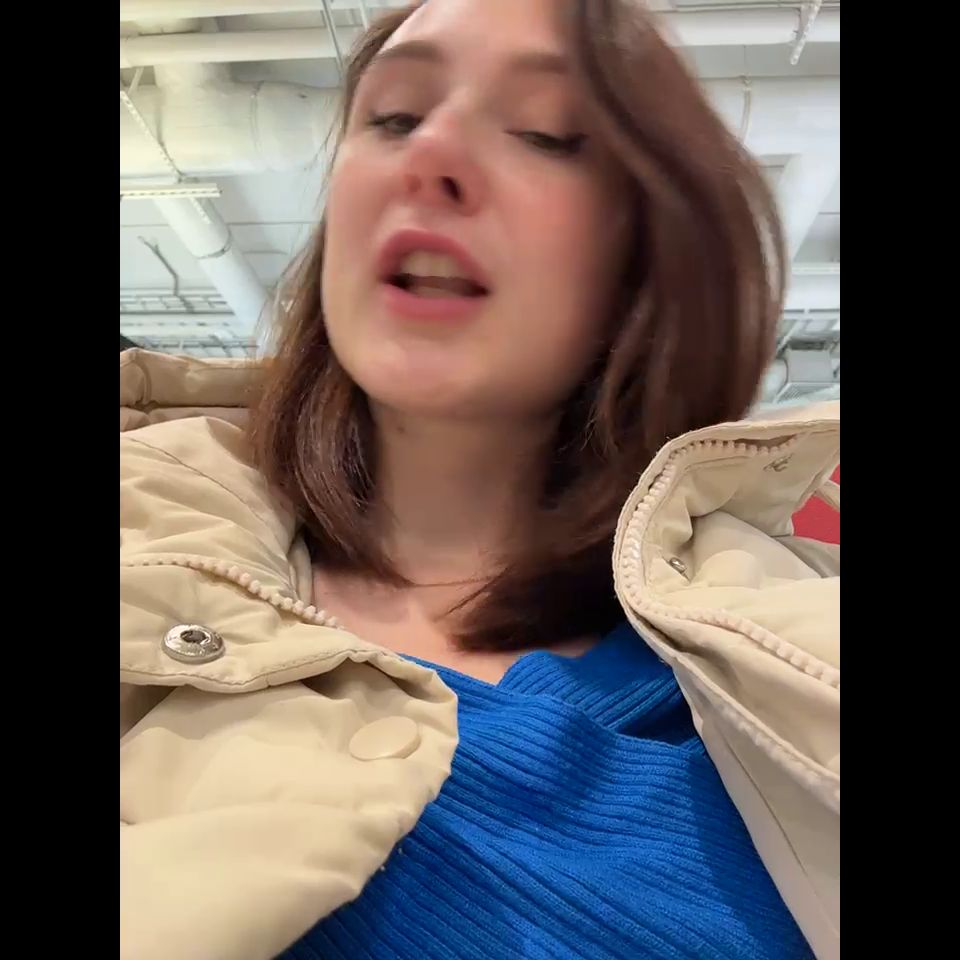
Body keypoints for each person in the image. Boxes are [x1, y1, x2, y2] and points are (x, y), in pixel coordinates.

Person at [120, 2, 840, 959]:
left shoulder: (790, 682)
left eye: (547, 132)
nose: (432, 154)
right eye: (393, 117)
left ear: (648, 260)